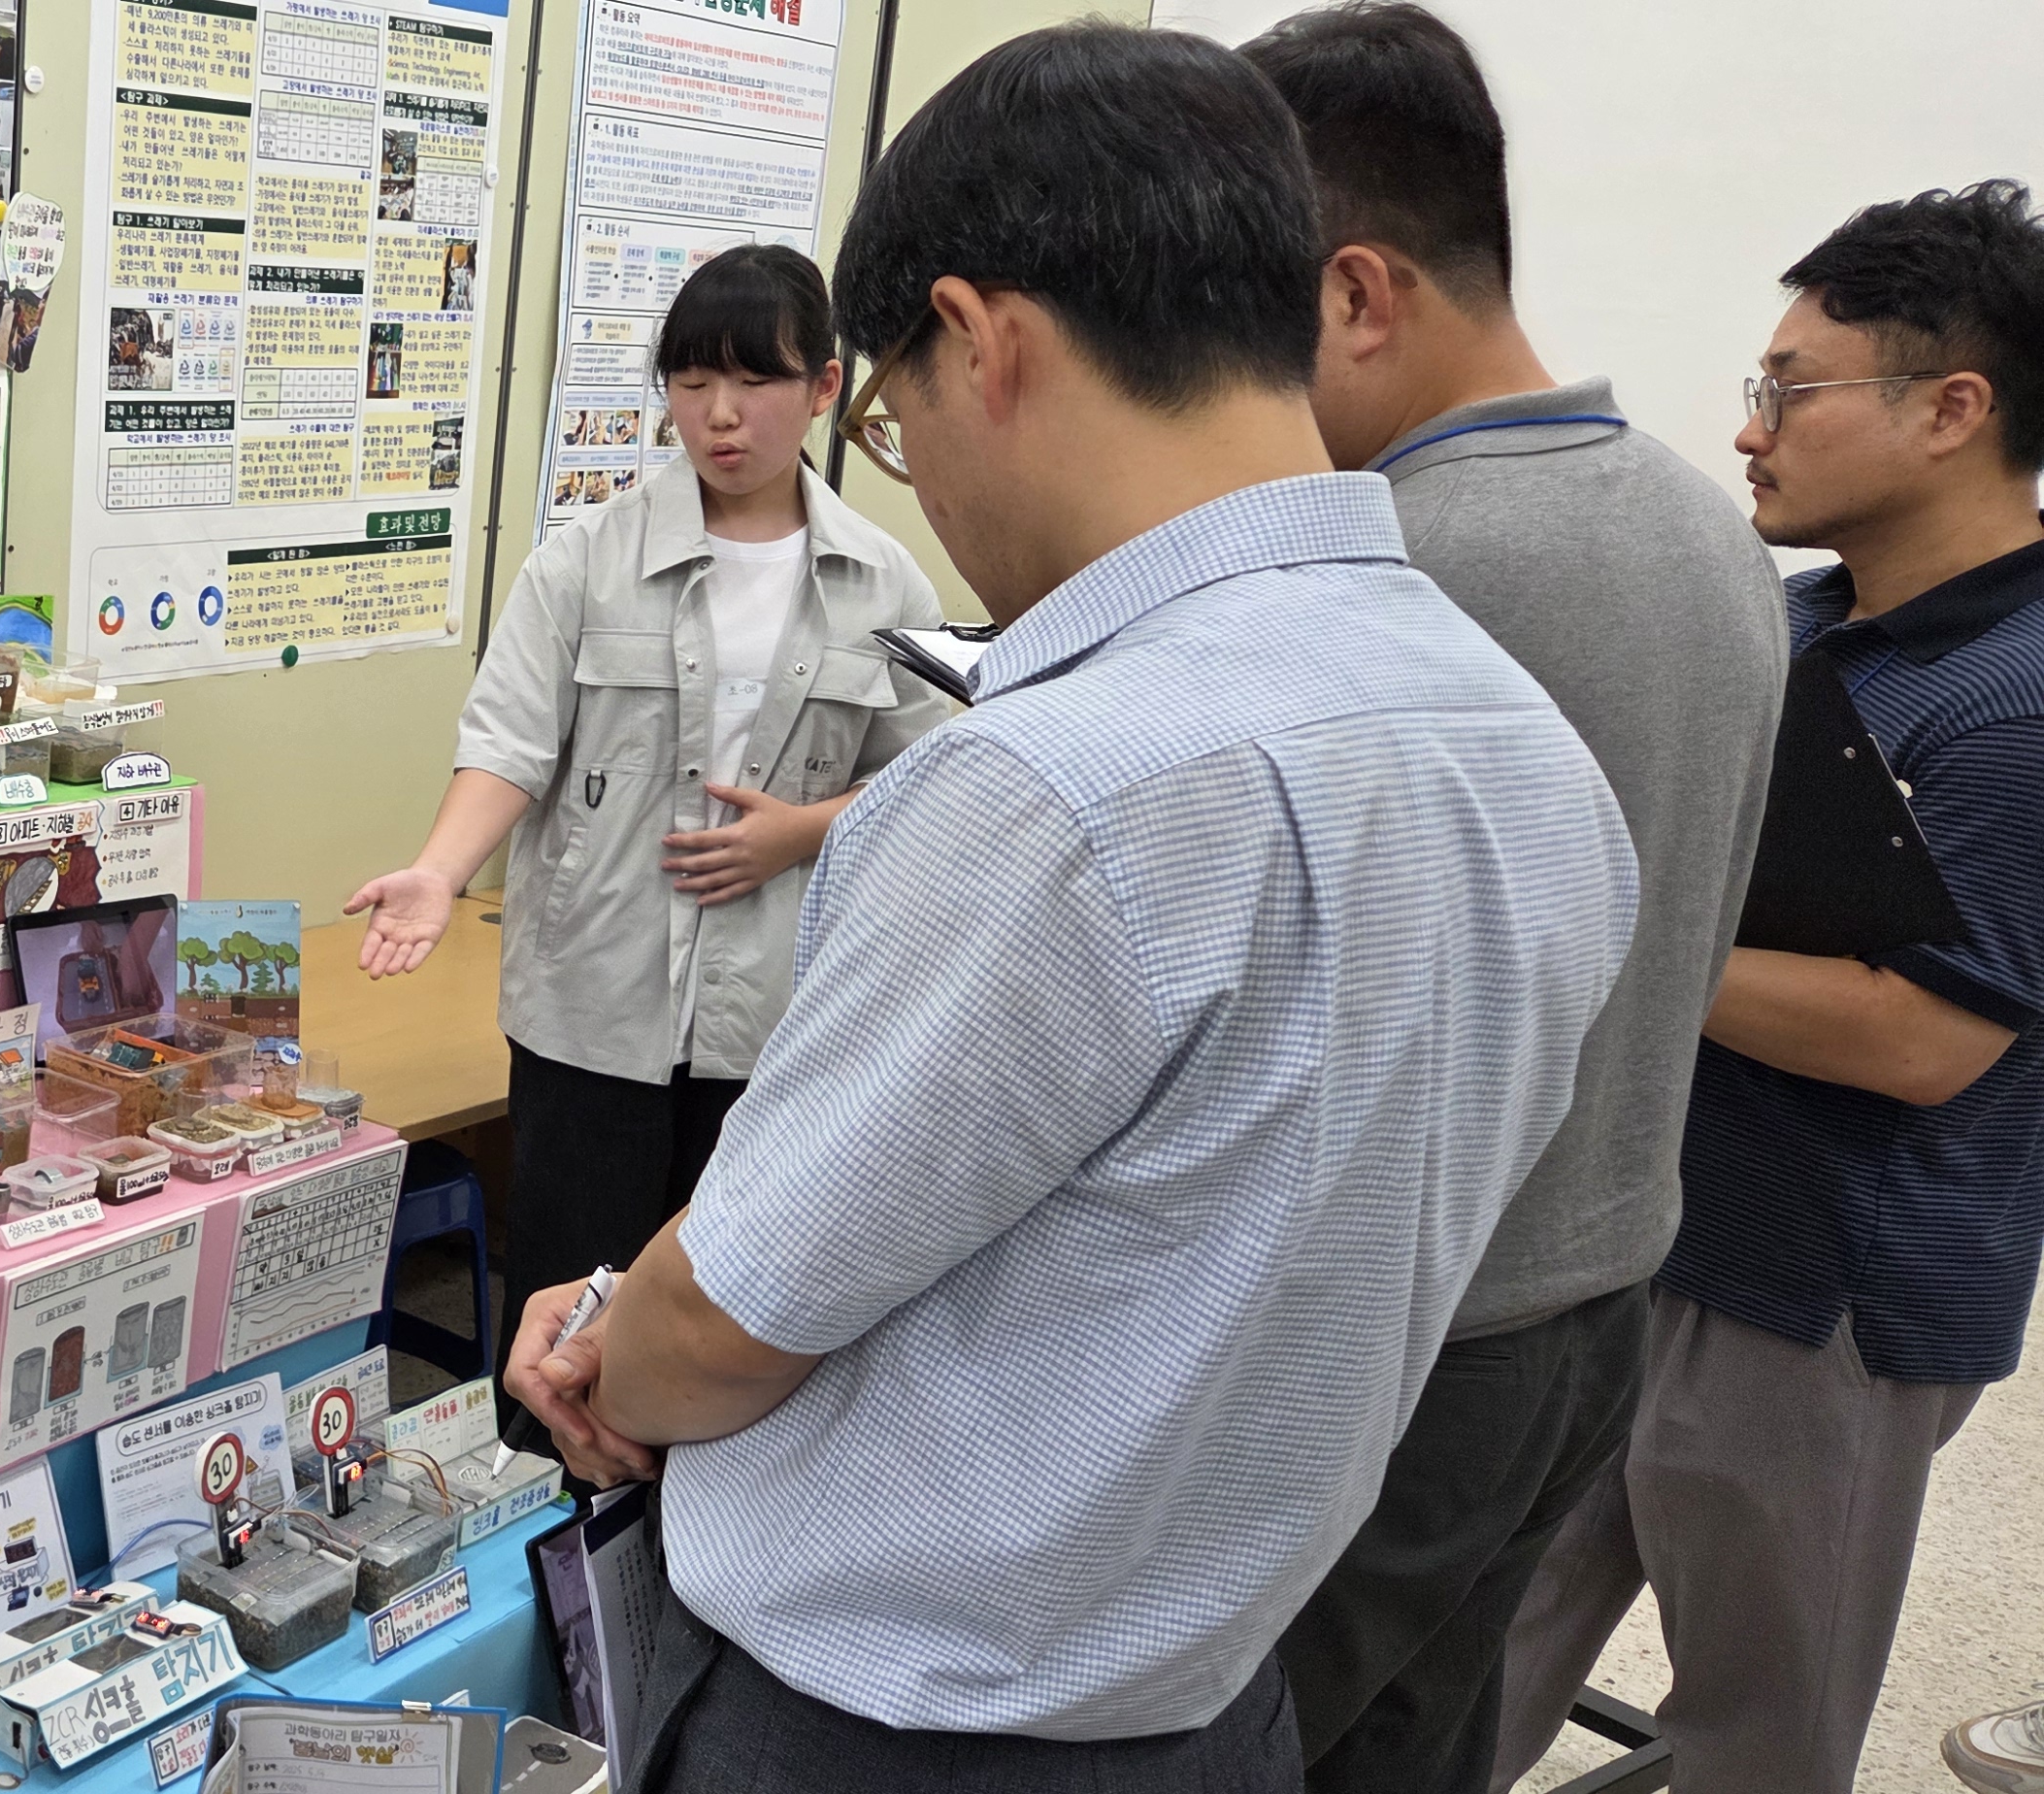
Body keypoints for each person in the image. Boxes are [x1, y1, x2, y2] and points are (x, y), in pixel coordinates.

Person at [500, 24, 1639, 1788]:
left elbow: (729, 1323)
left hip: (896, 1720)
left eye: (887, 411)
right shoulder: (1529, 746)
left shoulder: (1057, 784)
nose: (919, 478)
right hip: (1213, 1689)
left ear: (981, 338)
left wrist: (598, 1343)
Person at [1228, 12, 1792, 1790]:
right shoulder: (1714, 530)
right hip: (1600, 1290)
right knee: (1427, 1737)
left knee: (1241, 1747)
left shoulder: (1393, 569)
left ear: (1354, 296)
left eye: (1229, 330)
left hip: (1399, 1343)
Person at [1495, 181, 2044, 1794]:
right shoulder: (1806, 625)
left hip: (1821, 1304)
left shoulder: (2016, 702)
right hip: (1649, 1232)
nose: (1749, 431)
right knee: (1480, 1635)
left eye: (1789, 389)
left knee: (1751, 1732)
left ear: (1954, 409)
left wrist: (1616, 919)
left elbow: (1925, 1037)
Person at [346, 246, 947, 1359]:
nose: (721, 417)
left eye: (756, 383)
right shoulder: (583, 562)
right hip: (590, 1002)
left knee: (728, 1332)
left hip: (777, 1019)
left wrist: (799, 834)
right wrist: (437, 870)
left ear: (822, 388)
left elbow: (936, 784)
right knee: (563, 1326)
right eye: (689, 383)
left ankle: (697, 1535)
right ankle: (563, 1530)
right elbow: (507, 744)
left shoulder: (881, 578)